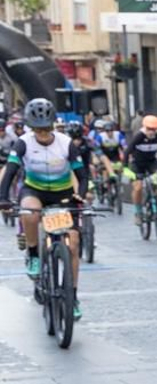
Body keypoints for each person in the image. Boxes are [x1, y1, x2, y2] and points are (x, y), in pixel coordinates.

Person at [2, 98, 90, 318]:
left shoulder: (65, 143)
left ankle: (74, 296)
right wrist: (2, 197)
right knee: (30, 213)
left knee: (73, 243)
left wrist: (81, 193)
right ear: (31, 128)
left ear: (52, 126)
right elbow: (11, 172)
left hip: (63, 194)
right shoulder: (22, 143)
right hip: (35, 191)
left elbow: (81, 174)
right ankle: (33, 253)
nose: (42, 134)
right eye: (37, 130)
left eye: (46, 129)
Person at [126, 115, 157, 222]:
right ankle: (138, 212)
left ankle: (156, 199)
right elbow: (127, 152)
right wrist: (126, 168)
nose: (151, 132)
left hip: (151, 162)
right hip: (137, 164)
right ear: (145, 128)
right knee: (138, 187)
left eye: (154, 130)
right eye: (149, 129)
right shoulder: (139, 137)